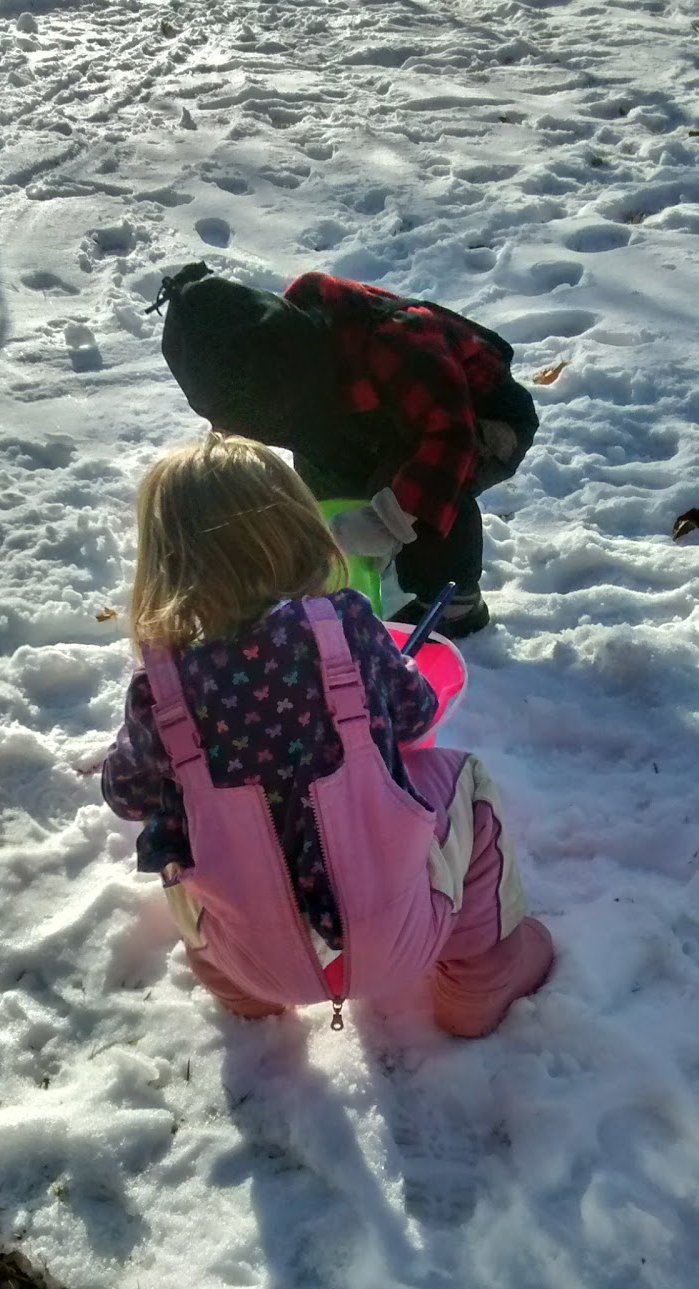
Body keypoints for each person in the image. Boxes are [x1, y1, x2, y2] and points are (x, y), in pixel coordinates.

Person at [102, 434, 553, 1034]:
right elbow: (416, 714)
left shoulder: (161, 687)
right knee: (462, 780)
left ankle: (244, 999)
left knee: (177, 839)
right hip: (398, 934)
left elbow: (127, 795)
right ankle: (483, 975)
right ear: (298, 530)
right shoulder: (343, 626)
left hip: (254, 962)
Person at [148, 263, 539, 640]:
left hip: (480, 421)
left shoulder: (397, 342)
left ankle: (454, 602)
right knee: (319, 463)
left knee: (417, 484)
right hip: (384, 416)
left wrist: (388, 521)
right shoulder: (274, 357)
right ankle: (349, 567)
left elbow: (450, 442)